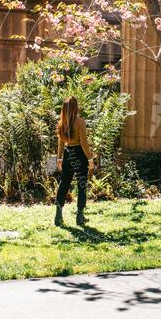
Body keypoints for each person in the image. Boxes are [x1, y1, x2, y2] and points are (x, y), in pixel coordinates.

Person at [54, 96, 94, 227]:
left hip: (68, 154)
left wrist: (59, 159)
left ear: (64, 109)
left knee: (64, 183)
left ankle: (58, 216)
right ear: (75, 107)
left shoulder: (61, 123)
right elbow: (84, 143)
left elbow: (60, 142)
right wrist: (90, 159)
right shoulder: (80, 122)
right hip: (79, 155)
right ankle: (80, 216)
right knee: (82, 185)